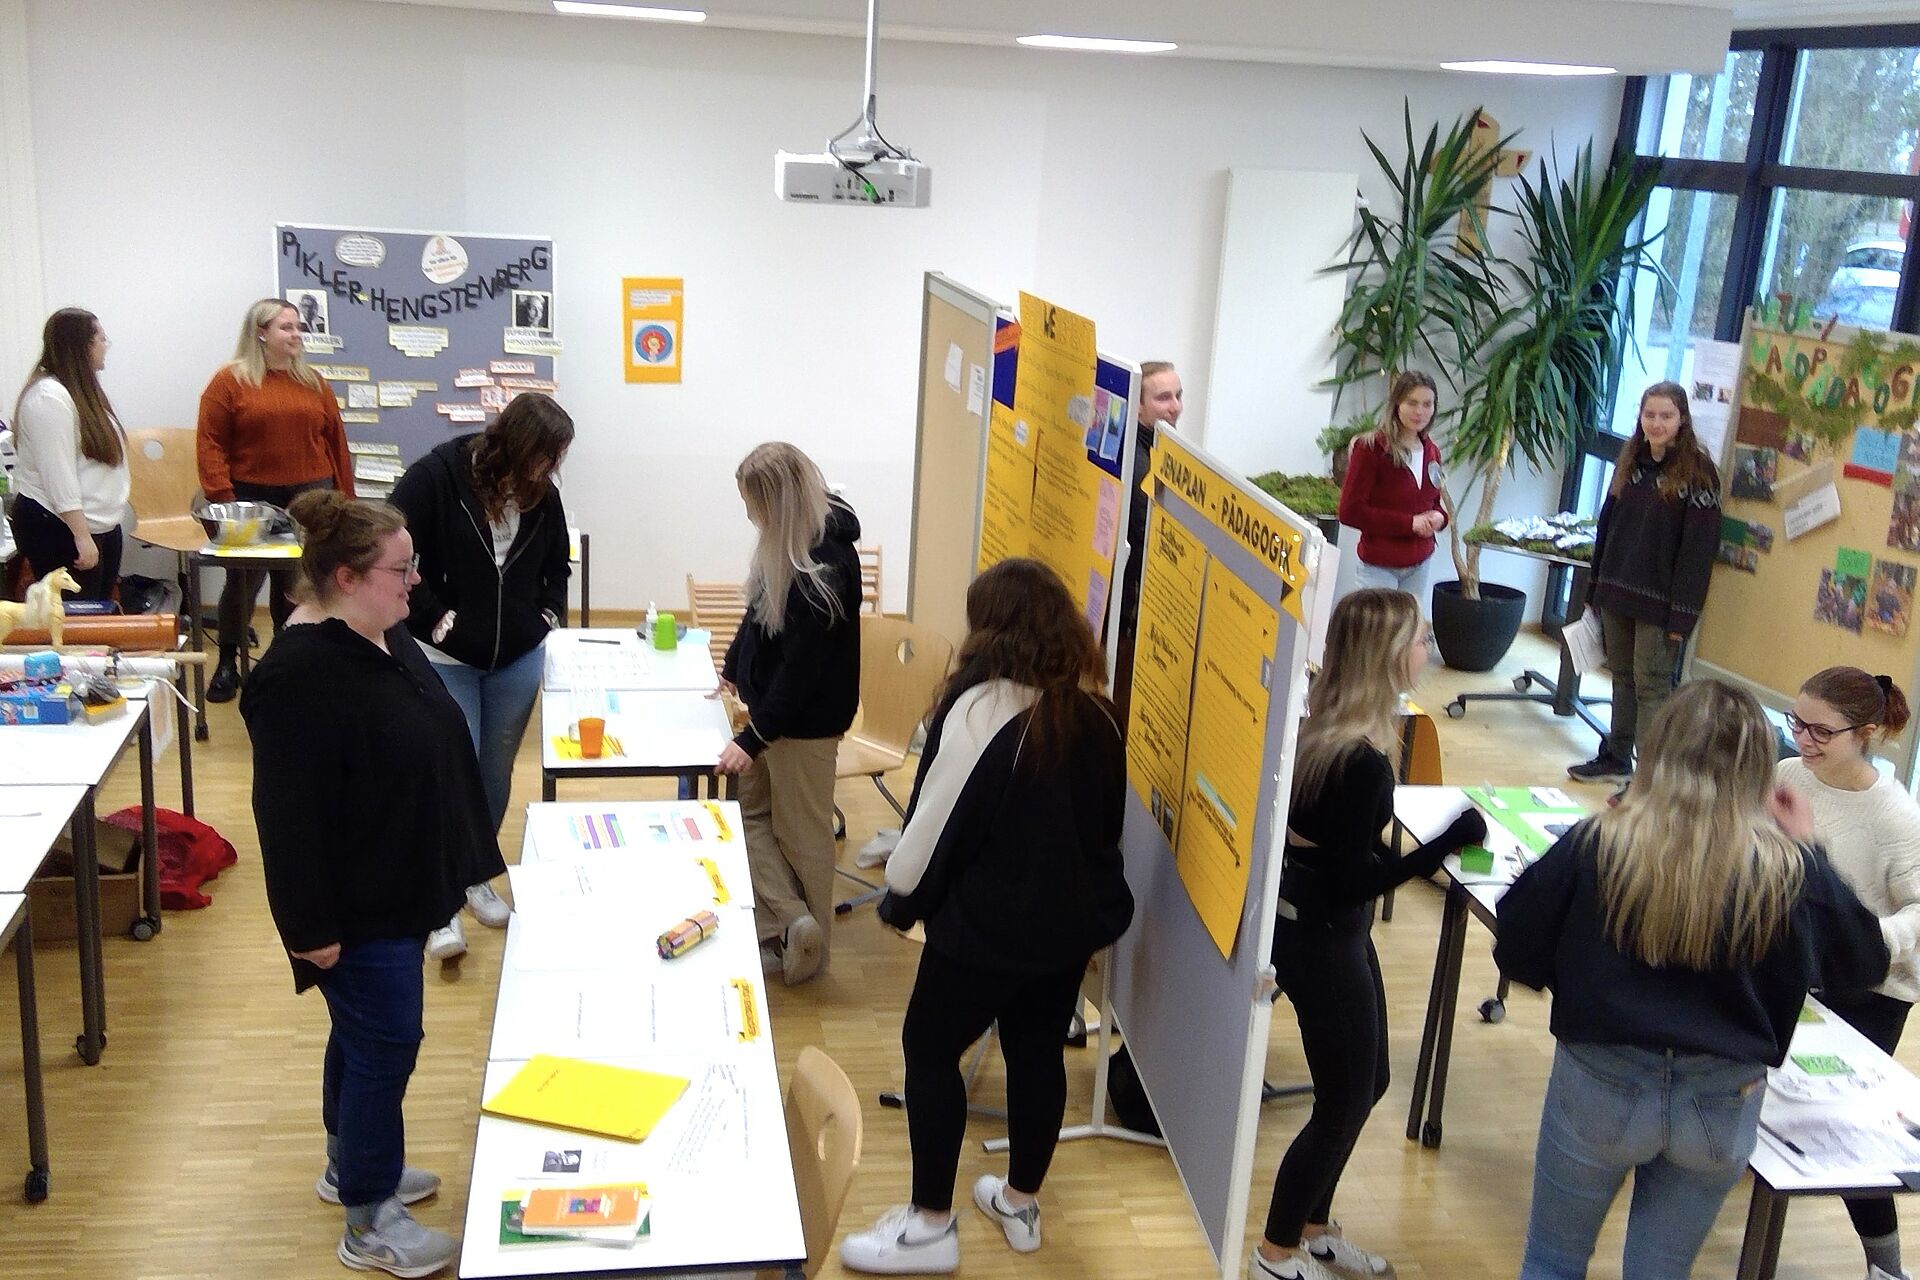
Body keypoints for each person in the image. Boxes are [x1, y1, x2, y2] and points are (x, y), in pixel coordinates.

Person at [1495, 678, 1889, 1280]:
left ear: (1657, 754)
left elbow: (1517, 949)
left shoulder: (1600, 842)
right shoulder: (1788, 870)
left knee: (1552, 1262)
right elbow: (1863, 964)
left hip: (1600, 1080)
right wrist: (1810, 849)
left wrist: (1582, 976)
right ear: (1760, 771)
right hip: (1723, 1101)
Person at [838, 558, 1134, 1275]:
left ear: (992, 629)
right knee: (1037, 1054)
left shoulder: (977, 710)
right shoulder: (1095, 712)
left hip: (984, 934)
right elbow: (1105, 831)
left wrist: (898, 896)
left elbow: (928, 830)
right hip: (1064, 933)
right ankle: (1019, 1201)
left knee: (930, 1051)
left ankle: (930, 1227)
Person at [241, 490, 503, 1279]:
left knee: (360, 1038)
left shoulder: (378, 632)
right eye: (402, 567)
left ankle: (351, 1163)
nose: (416, 580)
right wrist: (310, 929)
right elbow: (286, 820)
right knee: (387, 1043)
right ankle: (368, 1218)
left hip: (396, 879)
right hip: (354, 907)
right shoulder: (300, 676)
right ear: (348, 576)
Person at [1250, 588, 1488, 1280]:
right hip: (1322, 937)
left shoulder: (1329, 735)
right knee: (1345, 1098)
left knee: (1371, 1079)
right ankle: (1273, 1253)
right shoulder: (1361, 763)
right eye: (1419, 641)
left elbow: (1342, 856)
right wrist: (1443, 847)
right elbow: (1353, 881)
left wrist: (1419, 852)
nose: (1429, 652)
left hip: (1327, 929)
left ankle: (1315, 1229)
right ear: (1387, 656)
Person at [389, 392, 573, 961]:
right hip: (444, 657)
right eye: (544, 456)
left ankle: (475, 877)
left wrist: (545, 617)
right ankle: (439, 907)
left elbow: (557, 566)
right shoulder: (434, 478)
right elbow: (393, 557)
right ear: (515, 446)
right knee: (451, 771)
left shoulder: (543, 495)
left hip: (515, 660)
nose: (550, 470)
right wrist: (435, 620)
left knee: (493, 775)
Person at [1776, 667, 1920, 1280]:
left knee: (1845, 1134)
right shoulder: (1787, 775)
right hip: (1797, 968)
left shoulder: (1895, 817)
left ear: (1864, 734)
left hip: (1869, 990)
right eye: (1796, 723)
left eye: (1821, 732)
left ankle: (1886, 1266)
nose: (1803, 739)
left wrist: (1861, 941)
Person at [714, 442, 861, 985]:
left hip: (802, 727)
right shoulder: (786, 541)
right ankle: (790, 920)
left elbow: (800, 676)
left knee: (802, 835)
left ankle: (811, 950)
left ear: (779, 502)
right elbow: (758, 611)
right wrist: (733, 665)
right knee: (751, 820)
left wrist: (751, 741)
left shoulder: (824, 569)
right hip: (770, 714)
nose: (751, 516)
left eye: (754, 504)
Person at [198, 297, 356, 702]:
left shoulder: (314, 383)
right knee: (242, 583)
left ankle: (283, 663)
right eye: (286, 327)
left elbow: (336, 445)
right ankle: (228, 662)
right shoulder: (229, 381)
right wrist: (223, 500)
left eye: (298, 327)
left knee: (295, 586)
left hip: (309, 496)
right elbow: (211, 444)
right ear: (261, 333)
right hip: (251, 498)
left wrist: (346, 500)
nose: (296, 334)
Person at [1567, 380, 1720, 784]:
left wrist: (1681, 618)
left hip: (1660, 605)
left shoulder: (1699, 474)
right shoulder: (1631, 460)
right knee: (1621, 676)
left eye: (1666, 416)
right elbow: (1608, 527)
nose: (1656, 423)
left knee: (1652, 686)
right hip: (1617, 592)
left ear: (1682, 419)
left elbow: (1697, 553)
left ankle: (1651, 779)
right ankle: (1616, 756)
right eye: (1649, 415)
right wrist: (1594, 588)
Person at [7, 308, 129, 599]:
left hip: (98, 526)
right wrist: (82, 536)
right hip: (60, 529)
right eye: (101, 339)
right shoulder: (48, 397)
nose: (105, 346)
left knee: (97, 620)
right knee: (75, 626)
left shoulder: (79, 391)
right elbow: (58, 475)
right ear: (82, 346)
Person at [1336, 371, 1447, 605]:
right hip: (1379, 568)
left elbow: (1432, 501)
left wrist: (1440, 517)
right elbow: (1349, 511)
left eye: (1427, 404)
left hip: (1420, 564)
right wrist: (1409, 524)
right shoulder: (1371, 448)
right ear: (1397, 404)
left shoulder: (1432, 451)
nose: (1420, 412)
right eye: (1412, 403)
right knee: (1379, 638)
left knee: (1406, 638)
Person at [1113, 359, 1182, 724]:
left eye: (1178, 396)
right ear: (1138, 405)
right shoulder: (1140, 466)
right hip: (1131, 612)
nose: (1175, 407)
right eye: (1163, 398)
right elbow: (1145, 539)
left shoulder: (1156, 451)